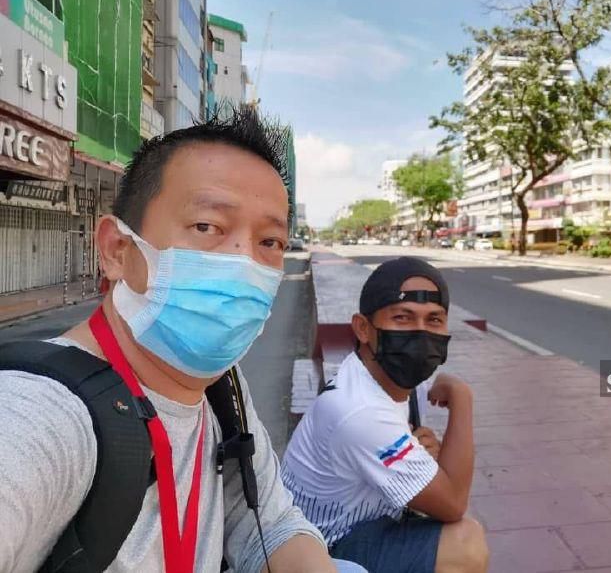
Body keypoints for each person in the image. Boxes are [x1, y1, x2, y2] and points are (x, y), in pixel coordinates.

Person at [0, 112, 364, 572]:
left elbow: (270, 524)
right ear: (117, 250)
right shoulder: (43, 417)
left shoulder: (220, 389)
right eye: (208, 227)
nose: (243, 263)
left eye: (269, 241)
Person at [281, 257, 489, 573]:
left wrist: (416, 449)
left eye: (434, 319)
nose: (420, 333)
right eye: (403, 318)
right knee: (466, 544)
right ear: (364, 328)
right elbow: (453, 503)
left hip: (354, 523)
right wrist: (462, 398)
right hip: (320, 550)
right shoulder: (361, 411)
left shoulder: (376, 376)